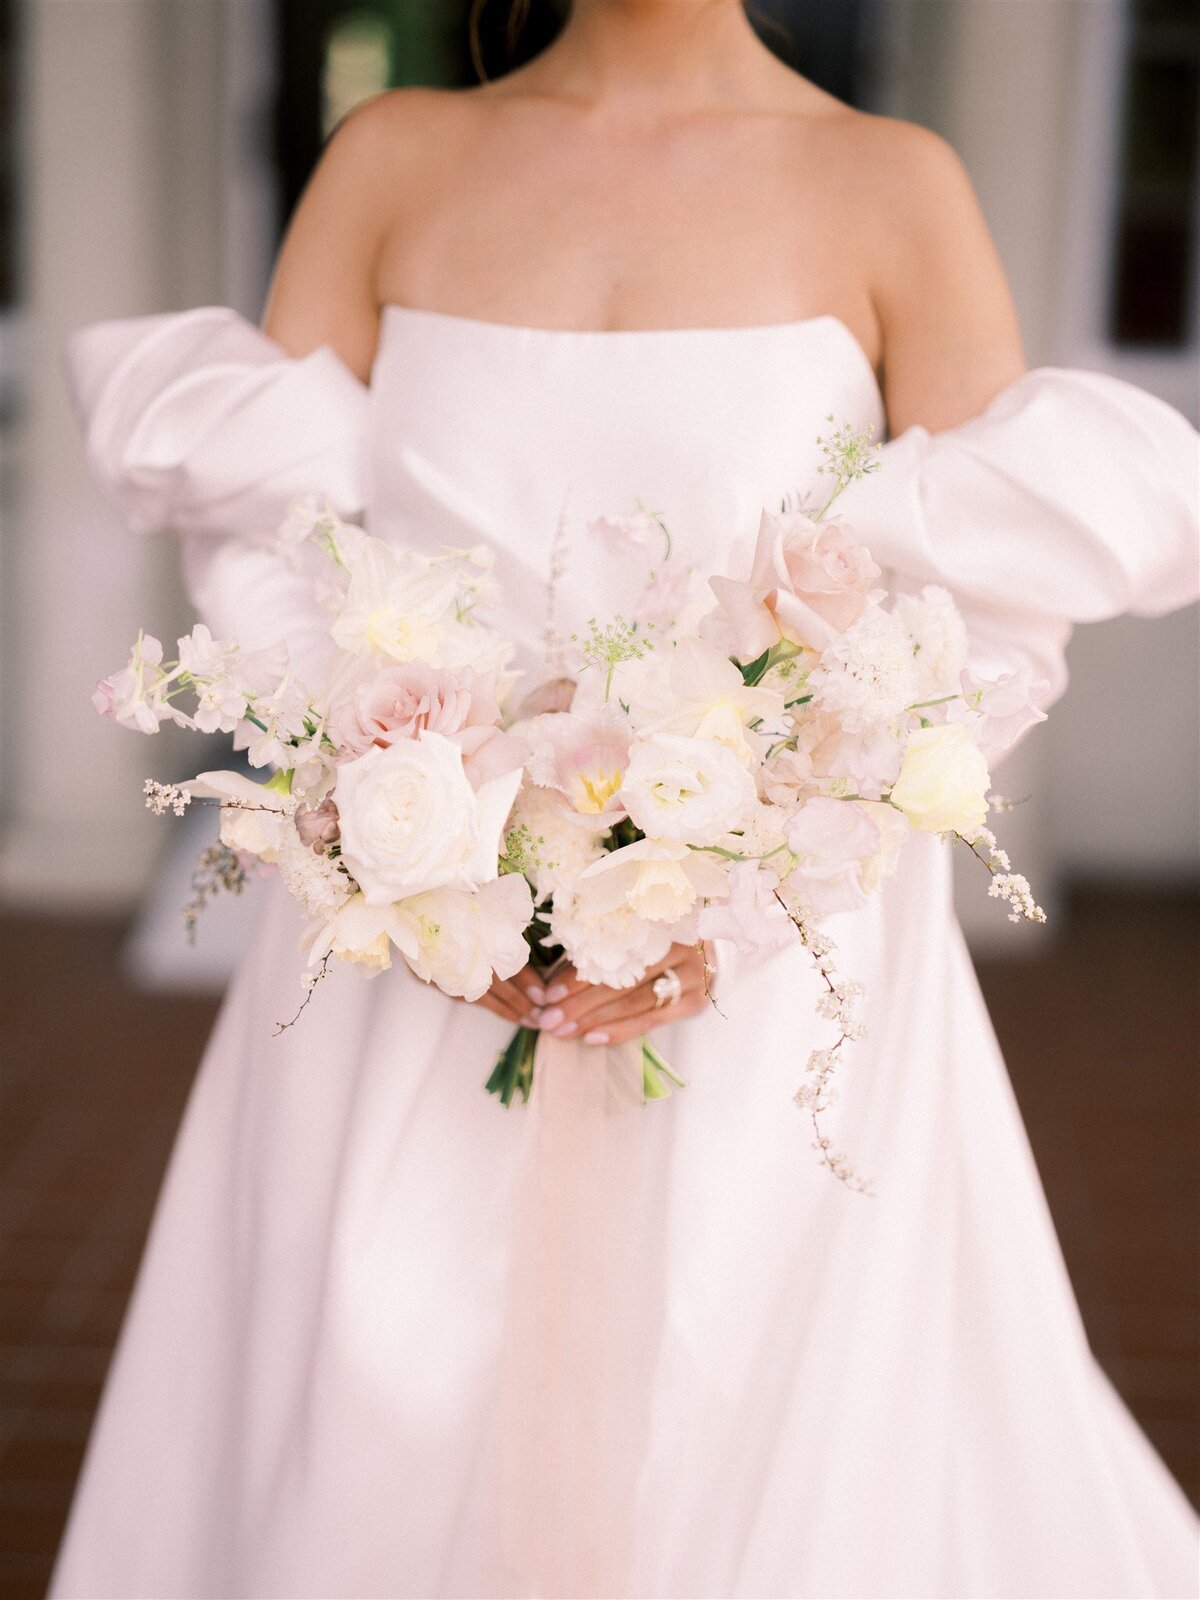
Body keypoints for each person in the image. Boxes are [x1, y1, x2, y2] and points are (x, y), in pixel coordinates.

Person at [53, 2, 1200, 1596]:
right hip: (415, 961)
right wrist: (404, 822)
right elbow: (271, 545)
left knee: (755, 1422)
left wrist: (749, 876)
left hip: (778, 973)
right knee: (380, 1404)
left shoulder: (893, 185)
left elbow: (976, 623)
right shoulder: (391, 159)